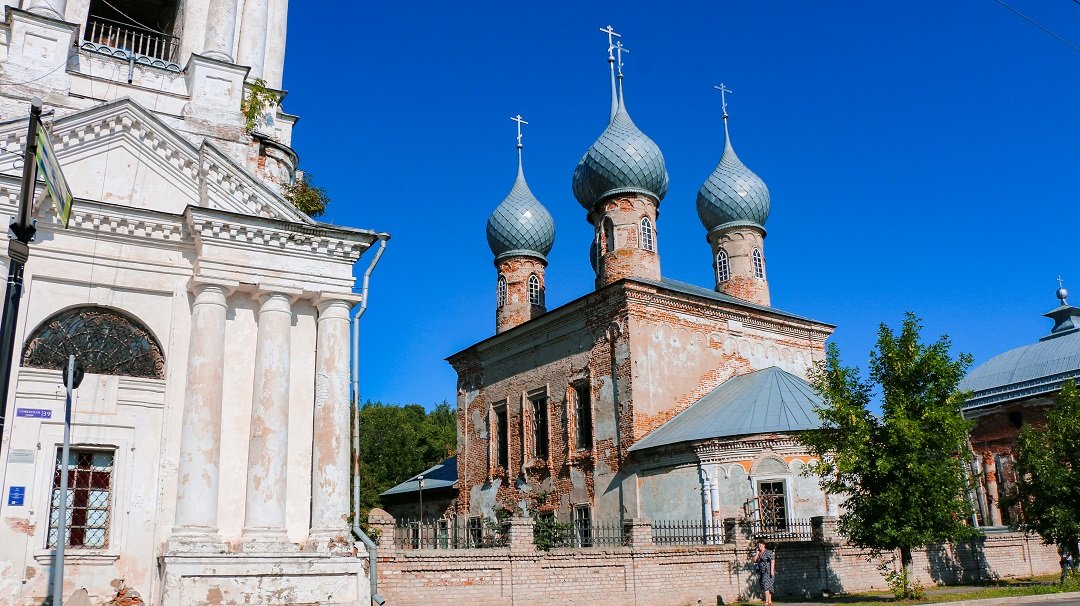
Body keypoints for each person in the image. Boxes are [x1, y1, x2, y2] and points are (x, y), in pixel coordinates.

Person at [753, 538, 776, 606]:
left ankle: (766, 602)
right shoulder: (759, 553)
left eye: (760, 545)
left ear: (764, 545)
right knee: (767, 586)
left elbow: (772, 560)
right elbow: (754, 560)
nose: (759, 546)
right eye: (758, 545)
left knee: (766, 586)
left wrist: (772, 571)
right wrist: (757, 553)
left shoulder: (767, 552)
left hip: (768, 571)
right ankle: (769, 602)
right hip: (762, 572)